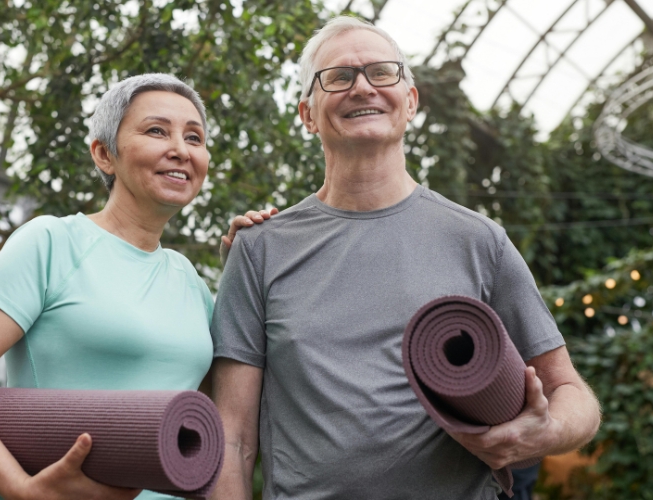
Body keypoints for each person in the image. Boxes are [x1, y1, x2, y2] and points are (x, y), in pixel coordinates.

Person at [210, 16, 602, 500]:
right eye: (338, 77)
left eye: (382, 72)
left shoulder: (479, 240)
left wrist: (541, 434)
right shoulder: (259, 248)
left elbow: (572, 393)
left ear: (410, 102)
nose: (362, 87)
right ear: (307, 115)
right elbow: (232, 437)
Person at [0, 73, 274, 500]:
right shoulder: (52, 243)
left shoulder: (187, 277)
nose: (180, 150)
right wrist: (21, 488)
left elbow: (215, 416)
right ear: (104, 154)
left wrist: (245, 273)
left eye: (194, 138)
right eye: (156, 131)